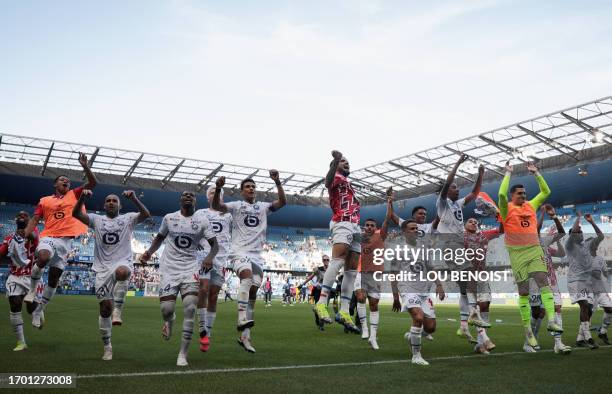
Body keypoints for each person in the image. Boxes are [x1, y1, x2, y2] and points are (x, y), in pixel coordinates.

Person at [141, 191, 218, 366]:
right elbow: (159, 238)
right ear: (180, 200)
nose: (188, 196)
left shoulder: (202, 221)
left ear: (195, 201)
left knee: (190, 307)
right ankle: (170, 321)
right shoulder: (169, 218)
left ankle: (183, 354)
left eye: (192, 195)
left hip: (190, 268)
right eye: (185, 195)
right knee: (167, 309)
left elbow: (215, 245)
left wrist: (209, 258)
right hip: (169, 269)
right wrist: (148, 253)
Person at [212, 170, 286, 353]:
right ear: (242, 191)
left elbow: (282, 202)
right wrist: (218, 187)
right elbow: (218, 206)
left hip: (257, 256)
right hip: (239, 252)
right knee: (245, 277)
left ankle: (245, 337)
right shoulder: (236, 205)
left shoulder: (263, 206)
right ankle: (240, 318)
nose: (251, 189)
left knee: (253, 292)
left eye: (253, 186)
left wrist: (277, 182)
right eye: (247, 187)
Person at [72, 189, 150, 361]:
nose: (111, 202)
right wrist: (82, 198)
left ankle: (118, 311)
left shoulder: (128, 218)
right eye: (108, 200)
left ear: (120, 205)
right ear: (104, 205)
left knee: (123, 272)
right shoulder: (96, 219)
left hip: (121, 261)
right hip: (101, 268)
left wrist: (135, 198)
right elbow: (76, 213)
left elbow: (145, 214)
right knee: (104, 309)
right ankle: (107, 346)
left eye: (115, 200)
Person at [24, 152, 97, 328]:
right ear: (55, 184)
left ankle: (40, 309)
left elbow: (93, 183)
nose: (66, 181)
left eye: (68, 180)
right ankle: (32, 291)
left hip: (66, 242)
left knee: (54, 278)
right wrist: (26, 234)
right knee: (43, 257)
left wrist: (85, 166)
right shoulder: (44, 201)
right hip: (49, 236)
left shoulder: (74, 194)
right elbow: (35, 220)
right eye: (62, 179)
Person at [498, 160, 562, 349]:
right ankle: (527, 330)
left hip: (534, 249)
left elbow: (546, 192)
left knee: (544, 282)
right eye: (520, 193)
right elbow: (501, 193)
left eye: (525, 193)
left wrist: (536, 173)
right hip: (517, 253)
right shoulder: (506, 208)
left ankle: (551, 320)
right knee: (524, 292)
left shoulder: (530, 205)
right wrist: (508, 173)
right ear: (512, 195)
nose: (524, 196)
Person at [436, 154, 484, 341]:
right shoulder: (442, 203)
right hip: (448, 244)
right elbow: (448, 183)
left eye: (457, 187)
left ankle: (464, 324)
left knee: (464, 287)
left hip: (458, 245)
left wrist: (480, 174)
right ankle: (474, 312)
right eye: (454, 187)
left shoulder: (457, 204)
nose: (457, 189)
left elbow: (474, 194)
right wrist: (457, 164)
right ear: (446, 191)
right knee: (471, 274)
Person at [315, 150, 361, 332]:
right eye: (343, 161)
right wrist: (334, 161)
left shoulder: (348, 183)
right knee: (338, 261)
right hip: (342, 221)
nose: (346, 163)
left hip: (356, 225)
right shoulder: (335, 178)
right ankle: (321, 303)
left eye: (347, 161)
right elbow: (327, 181)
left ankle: (344, 311)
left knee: (351, 270)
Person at [391, 219, 446, 366]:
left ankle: (412, 335)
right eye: (412, 228)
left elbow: (431, 268)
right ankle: (416, 356)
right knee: (418, 317)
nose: (416, 230)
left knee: (430, 327)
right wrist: (395, 297)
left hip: (423, 291)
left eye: (416, 228)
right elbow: (393, 274)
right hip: (407, 288)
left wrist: (439, 285)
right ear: (404, 232)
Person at [527, 204, 571, 354]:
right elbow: (536, 230)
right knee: (538, 313)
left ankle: (558, 344)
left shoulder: (544, 242)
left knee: (557, 308)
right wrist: (542, 213)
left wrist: (554, 216)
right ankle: (530, 341)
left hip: (551, 282)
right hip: (535, 284)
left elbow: (561, 233)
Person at [195, 186, 233, 352]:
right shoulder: (200, 213)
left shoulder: (229, 214)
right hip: (203, 256)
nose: (215, 195)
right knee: (203, 289)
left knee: (214, 296)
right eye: (211, 193)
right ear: (207, 197)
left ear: (222, 198)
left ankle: (208, 333)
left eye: (217, 193)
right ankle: (202, 328)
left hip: (221, 259)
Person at [0, 211, 39, 351]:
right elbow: (2, 252)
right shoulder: (10, 237)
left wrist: (26, 232)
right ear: (16, 220)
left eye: (25, 215)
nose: (22, 216)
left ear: (29, 220)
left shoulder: (34, 232)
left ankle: (38, 311)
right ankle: (21, 342)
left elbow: (34, 237)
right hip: (14, 276)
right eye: (19, 215)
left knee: (30, 308)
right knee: (15, 304)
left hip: (30, 276)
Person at [463, 217, 502, 354]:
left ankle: (479, 345)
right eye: (470, 221)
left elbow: (501, 230)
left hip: (482, 274)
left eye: (475, 222)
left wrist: (501, 217)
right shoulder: (459, 237)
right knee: (475, 308)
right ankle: (485, 339)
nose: (473, 223)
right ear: (465, 225)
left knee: (485, 305)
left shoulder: (483, 235)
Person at [566, 212, 604, 349]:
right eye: (577, 232)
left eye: (581, 232)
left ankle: (580, 339)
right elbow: (575, 230)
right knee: (584, 306)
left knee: (588, 309)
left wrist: (592, 222)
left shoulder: (587, 245)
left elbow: (601, 236)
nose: (580, 233)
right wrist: (579, 218)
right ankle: (588, 338)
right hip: (575, 281)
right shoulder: (570, 245)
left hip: (587, 282)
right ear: (572, 235)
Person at [355, 205, 390, 350]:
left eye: (372, 225)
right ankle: (364, 328)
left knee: (374, 305)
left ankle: (373, 337)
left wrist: (390, 202)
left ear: (376, 228)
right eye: (367, 225)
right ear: (364, 227)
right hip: (361, 272)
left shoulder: (380, 236)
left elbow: (387, 219)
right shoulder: (358, 238)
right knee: (361, 298)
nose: (369, 227)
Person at [298, 255, 330, 330]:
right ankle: (318, 320)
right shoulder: (318, 269)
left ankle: (321, 324)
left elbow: (333, 279)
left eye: (327, 259)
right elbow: (310, 277)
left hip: (326, 291)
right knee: (317, 306)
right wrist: (302, 284)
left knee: (324, 307)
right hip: (317, 290)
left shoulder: (331, 270)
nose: (326, 261)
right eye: (324, 259)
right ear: (322, 260)